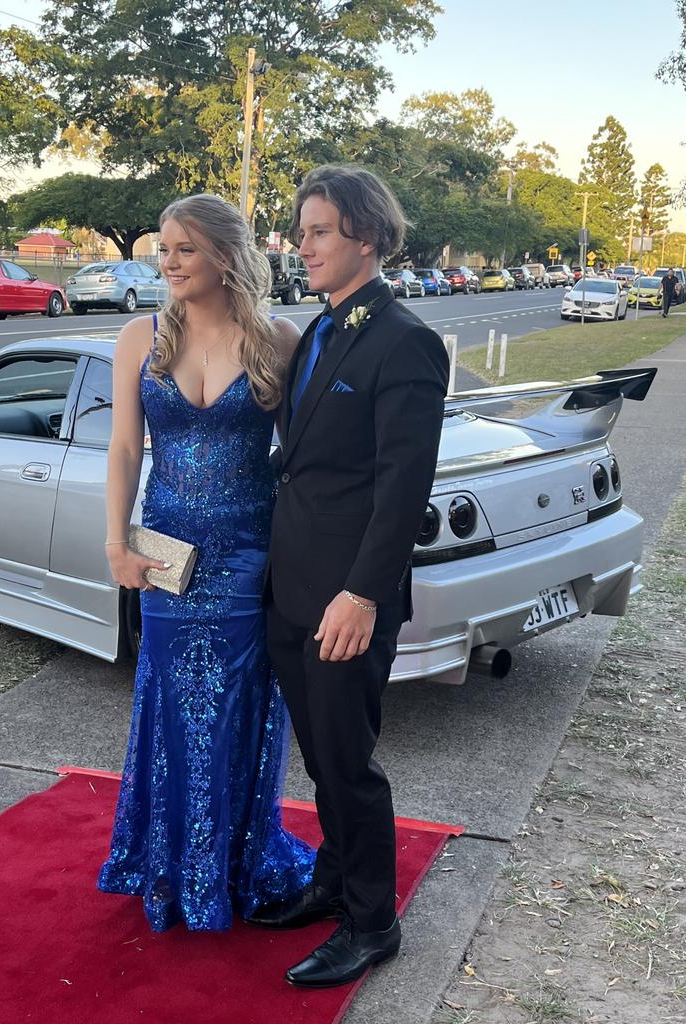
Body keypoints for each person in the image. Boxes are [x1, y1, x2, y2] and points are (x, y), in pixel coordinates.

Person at [249, 165, 449, 987]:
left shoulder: (404, 341)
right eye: (301, 232)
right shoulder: (318, 331)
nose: (304, 245)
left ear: (365, 235)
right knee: (321, 758)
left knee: (348, 763)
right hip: (291, 587)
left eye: (319, 230)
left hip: (347, 600)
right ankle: (333, 882)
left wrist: (363, 593)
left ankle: (372, 922)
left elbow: (403, 488)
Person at [98, 194, 314, 932]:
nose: (169, 263)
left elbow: (305, 456)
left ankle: (232, 862)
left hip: (249, 556)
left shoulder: (277, 339)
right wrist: (116, 543)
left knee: (236, 711)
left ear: (224, 254)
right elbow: (125, 448)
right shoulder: (141, 336)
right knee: (169, 708)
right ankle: (168, 863)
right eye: (164, 249)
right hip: (165, 558)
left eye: (184, 249)